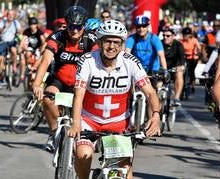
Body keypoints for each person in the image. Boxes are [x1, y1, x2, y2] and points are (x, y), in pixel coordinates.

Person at [68, 19, 160, 179]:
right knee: (84, 154)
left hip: (118, 123)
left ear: (122, 44)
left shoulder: (131, 62)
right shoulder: (87, 61)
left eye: (116, 42)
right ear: (99, 41)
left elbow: (151, 93)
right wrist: (76, 123)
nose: (111, 47)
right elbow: (79, 96)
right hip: (89, 121)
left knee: (124, 171)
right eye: (107, 41)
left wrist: (156, 115)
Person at [32, 5, 97, 153]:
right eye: (71, 27)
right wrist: (37, 84)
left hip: (81, 83)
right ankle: (53, 132)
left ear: (84, 26)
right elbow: (45, 61)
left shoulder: (91, 40)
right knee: (48, 98)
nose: (74, 31)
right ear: (66, 25)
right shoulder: (58, 37)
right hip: (59, 80)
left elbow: (99, 63)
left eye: (78, 27)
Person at [0, 9, 21, 85]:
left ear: (14, 16)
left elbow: (20, 31)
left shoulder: (16, 23)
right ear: (7, 15)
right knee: (0, 60)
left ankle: (14, 66)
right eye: (9, 14)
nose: (10, 16)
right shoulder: (2, 22)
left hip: (12, 42)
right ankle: (1, 75)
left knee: (13, 50)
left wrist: (18, 33)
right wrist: (3, 27)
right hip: (3, 42)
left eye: (12, 14)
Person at [161, 26, 185, 106]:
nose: (165, 37)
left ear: (173, 36)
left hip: (174, 69)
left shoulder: (178, 45)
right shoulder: (160, 43)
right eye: (164, 35)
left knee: (180, 74)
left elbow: (182, 59)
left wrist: (181, 66)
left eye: (168, 36)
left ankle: (177, 97)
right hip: (162, 69)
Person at [19, 17, 45, 82]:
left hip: (37, 48)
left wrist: (43, 48)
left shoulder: (39, 32)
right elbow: (23, 39)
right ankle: (29, 65)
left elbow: (43, 40)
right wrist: (20, 46)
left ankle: (36, 69)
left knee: (39, 58)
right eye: (30, 24)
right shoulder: (27, 31)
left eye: (33, 24)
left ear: (36, 25)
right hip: (30, 47)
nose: (32, 26)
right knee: (27, 54)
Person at [181, 27, 201, 93]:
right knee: (183, 71)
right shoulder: (181, 41)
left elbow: (199, 48)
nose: (185, 36)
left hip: (193, 58)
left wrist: (198, 53)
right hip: (184, 57)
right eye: (184, 34)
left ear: (190, 35)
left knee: (191, 71)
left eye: (186, 35)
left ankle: (193, 86)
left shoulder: (194, 40)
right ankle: (182, 84)